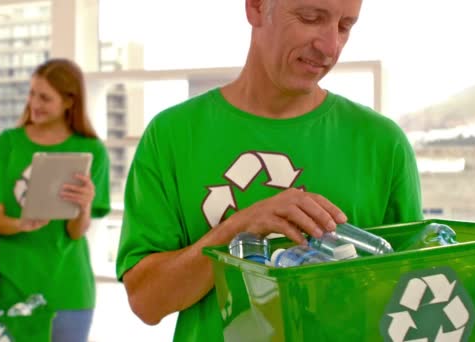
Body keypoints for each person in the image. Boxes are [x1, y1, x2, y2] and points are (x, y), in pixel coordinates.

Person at [116, 0, 423, 341]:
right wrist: (239, 229)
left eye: (344, 27)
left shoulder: (382, 143)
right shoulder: (172, 135)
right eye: (310, 17)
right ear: (257, 7)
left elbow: (411, 298)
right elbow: (146, 302)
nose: (329, 47)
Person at [0, 58, 111, 342]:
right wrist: (21, 224)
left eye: (44, 97)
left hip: (68, 290)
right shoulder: (8, 143)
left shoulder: (91, 151)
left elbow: (76, 232)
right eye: (32, 94)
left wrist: (85, 205)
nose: (34, 103)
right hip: (11, 287)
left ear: (69, 101)